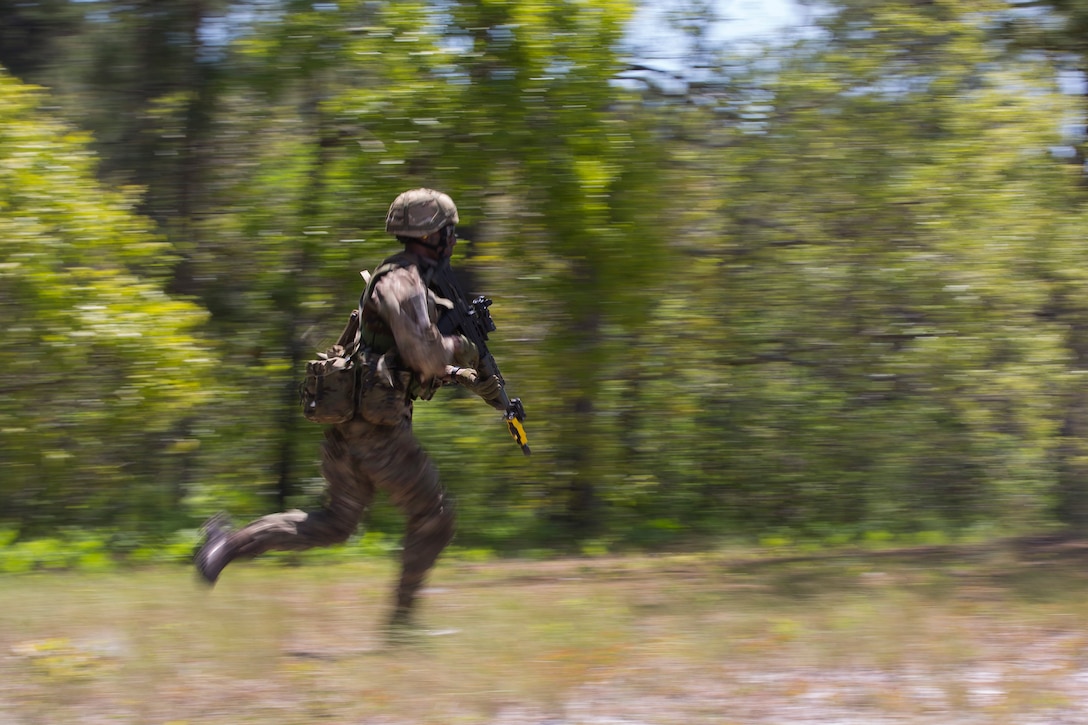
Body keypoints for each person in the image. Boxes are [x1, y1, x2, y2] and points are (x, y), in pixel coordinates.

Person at [194, 188, 504, 632]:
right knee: (434, 517)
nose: (454, 241)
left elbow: (413, 361)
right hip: (375, 428)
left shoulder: (404, 279)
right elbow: (426, 356)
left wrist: (479, 384)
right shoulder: (404, 281)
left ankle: (225, 545)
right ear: (434, 235)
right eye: (450, 232)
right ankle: (401, 625)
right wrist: (462, 348)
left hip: (352, 421)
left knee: (337, 522)